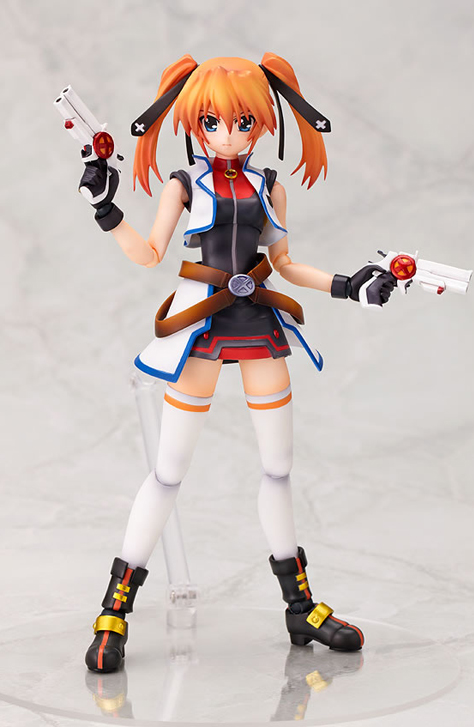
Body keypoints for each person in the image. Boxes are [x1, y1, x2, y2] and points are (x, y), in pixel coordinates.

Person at [79, 53, 395, 673]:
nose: (229, 135)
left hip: (258, 323)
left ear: (262, 122)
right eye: (213, 122)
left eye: (244, 122)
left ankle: (299, 606)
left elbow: (285, 264)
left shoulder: (269, 185)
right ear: (194, 124)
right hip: (200, 325)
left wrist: (350, 285)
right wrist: (106, 210)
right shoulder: (183, 184)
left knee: (278, 468)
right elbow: (149, 254)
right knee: (168, 472)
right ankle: (114, 611)